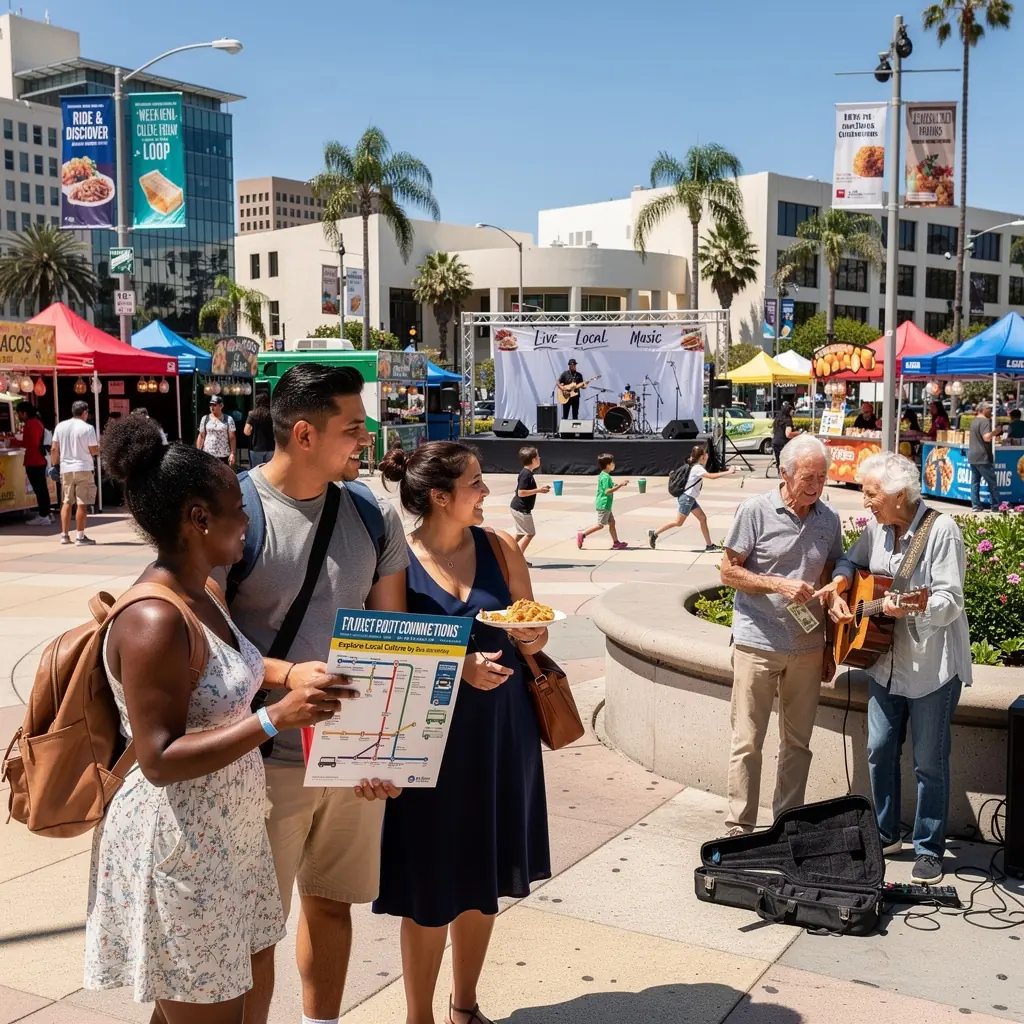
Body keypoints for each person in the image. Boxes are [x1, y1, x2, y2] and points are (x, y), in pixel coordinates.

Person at [84, 414, 347, 1023]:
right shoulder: (154, 620)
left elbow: (234, 674)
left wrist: (288, 675)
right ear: (199, 519)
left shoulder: (206, 593)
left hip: (229, 836)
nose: (247, 519)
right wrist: (274, 720)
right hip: (181, 846)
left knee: (230, 1008)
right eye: (237, 508)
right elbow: (157, 759)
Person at [221, 363, 409, 1024]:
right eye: (354, 428)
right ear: (304, 433)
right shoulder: (232, 513)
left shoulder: (371, 512)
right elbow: (200, 638)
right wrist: (285, 676)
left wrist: (388, 750)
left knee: (333, 905)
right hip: (262, 760)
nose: (367, 438)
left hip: (351, 757)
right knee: (254, 930)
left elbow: (392, 638)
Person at [375, 441, 550, 1024]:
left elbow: (526, 618)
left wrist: (533, 638)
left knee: (485, 874)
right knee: (427, 884)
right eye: (475, 483)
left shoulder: (499, 547)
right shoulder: (396, 557)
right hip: (428, 739)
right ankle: (418, 1016)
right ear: (439, 496)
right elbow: (385, 647)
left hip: (502, 733)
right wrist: (458, 665)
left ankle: (465, 1006)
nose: (486, 491)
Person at [819, 453, 970, 884]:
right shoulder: (876, 528)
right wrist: (843, 585)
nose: (864, 502)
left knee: (929, 761)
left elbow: (948, 599)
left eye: (871, 494)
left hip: (930, 667)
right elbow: (851, 560)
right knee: (880, 748)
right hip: (882, 661)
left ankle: (928, 847)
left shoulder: (941, 530)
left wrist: (906, 608)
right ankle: (886, 833)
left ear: (898, 495)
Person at [720, 434, 842, 835]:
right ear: (785, 474)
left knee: (798, 743)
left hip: (807, 647)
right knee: (747, 740)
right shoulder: (755, 510)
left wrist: (828, 644)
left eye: (822, 478)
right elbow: (728, 571)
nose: (816, 486)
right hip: (758, 641)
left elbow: (832, 574)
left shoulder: (828, 519)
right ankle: (740, 825)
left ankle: (787, 825)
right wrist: (778, 584)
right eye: (808, 477)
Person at [648, 445, 735, 550]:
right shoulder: (697, 468)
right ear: (702, 457)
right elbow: (712, 477)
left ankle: (709, 545)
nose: (707, 455)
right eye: (705, 454)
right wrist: (729, 472)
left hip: (690, 498)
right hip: (687, 499)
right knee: (678, 522)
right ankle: (654, 533)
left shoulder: (693, 465)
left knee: (702, 518)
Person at [51, 399, 99, 546]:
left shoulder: (60, 426)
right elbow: (93, 450)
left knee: (66, 502)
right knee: (82, 503)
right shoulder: (88, 428)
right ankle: (80, 535)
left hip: (66, 468)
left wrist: (56, 464)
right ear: (84, 413)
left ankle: (64, 535)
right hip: (83, 468)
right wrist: (98, 449)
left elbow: (54, 449)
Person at [577, 453, 627, 550]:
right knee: (600, 525)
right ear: (608, 465)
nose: (614, 464)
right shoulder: (606, 477)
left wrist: (616, 484)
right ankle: (582, 534)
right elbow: (607, 491)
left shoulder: (604, 474)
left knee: (612, 523)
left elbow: (609, 484)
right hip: (604, 504)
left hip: (606, 504)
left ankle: (616, 542)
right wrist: (619, 486)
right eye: (612, 463)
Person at [13, 402, 50, 525]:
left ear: (24, 413)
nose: (18, 416)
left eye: (19, 413)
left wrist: (14, 442)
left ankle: (43, 515)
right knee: (41, 489)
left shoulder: (31, 424)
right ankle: (46, 513)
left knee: (40, 489)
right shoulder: (36, 422)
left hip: (35, 461)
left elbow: (33, 443)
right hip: (37, 460)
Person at [509, 445, 549, 554]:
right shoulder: (526, 474)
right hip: (521, 509)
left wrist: (538, 489)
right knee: (530, 533)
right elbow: (521, 492)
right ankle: (518, 558)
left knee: (521, 533)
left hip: (518, 507)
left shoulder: (526, 473)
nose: (539, 458)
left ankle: (504, 548)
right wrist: (538, 490)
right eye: (538, 456)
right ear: (533, 460)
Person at [967, 400, 1001, 511]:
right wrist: (996, 431)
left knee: (975, 482)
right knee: (992, 482)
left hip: (973, 455)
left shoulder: (974, 421)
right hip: (983, 456)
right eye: (989, 409)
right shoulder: (985, 422)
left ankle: (976, 505)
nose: (991, 411)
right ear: (983, 410)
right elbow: (986, 437)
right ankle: (996, 505)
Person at [197, 395, 237, 467]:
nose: (212, 407)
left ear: (221, 406)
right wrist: (198, 452)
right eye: (210, 405)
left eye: (214, 405)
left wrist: (232, 453)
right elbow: (201, 436)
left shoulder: (228, 419)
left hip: (223, 455)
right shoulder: (205, 418)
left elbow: (232, 438)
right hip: (208, 454)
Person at [245, 392, 275, 466]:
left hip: (257, 448)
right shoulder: (272, 414)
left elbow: (246, 431)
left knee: (256, 472)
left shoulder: (252, 414)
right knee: (268, 471)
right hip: (270, 448)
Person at [771, 402, 801, 474]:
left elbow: (773, 431)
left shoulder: (777, 420)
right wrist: (799, 433)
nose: (793, 412)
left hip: (775, 442)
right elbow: (788, 434)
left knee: (779, 460)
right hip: (784, 443)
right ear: (789, 411)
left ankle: (780, 472)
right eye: (792, 411)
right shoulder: (788, 420)